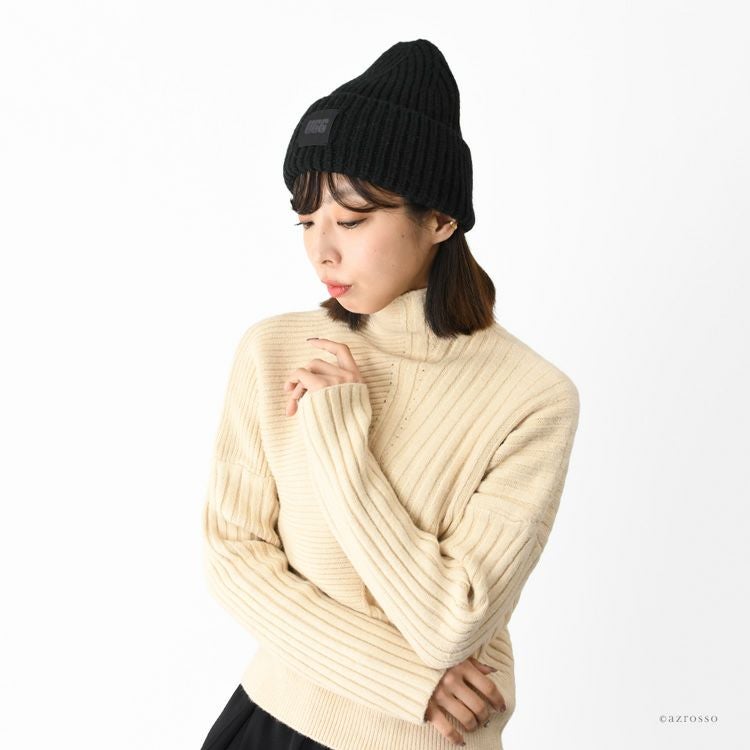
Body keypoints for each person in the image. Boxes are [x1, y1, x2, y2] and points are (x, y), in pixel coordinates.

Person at [199, 38, 580, 750]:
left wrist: (339, 438)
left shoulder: (532, 398)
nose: (321, 250)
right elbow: (233, 560)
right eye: (306, 221)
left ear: (440, 220)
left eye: (351, 220)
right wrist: (410, 680)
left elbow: (451, 621)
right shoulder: (272, 351)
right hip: (270, 723)